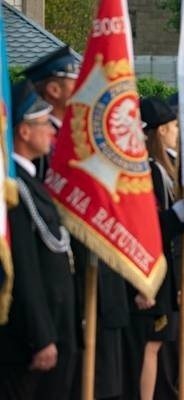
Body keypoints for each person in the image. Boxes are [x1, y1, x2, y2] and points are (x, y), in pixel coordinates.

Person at [0, 80, 77, 399]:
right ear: (24, 132)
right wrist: (41, 336)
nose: (51, 131)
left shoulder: (31, 182)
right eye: (43, 123)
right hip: (31, 337)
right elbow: (26, 272)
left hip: (55, 321)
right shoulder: (13, 192)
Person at [124, 96, 184, 400]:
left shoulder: (163, 168)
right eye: (174, 126)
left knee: (156, 344)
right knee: (147, 345)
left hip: (163, 268)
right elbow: (146, 228)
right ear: (161, 130)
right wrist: (181, 213)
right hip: (148, 270)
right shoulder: (148, 171)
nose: (178, 131)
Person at [22, 46, 80, 181]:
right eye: (75, 83)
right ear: (54, 90)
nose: (82, 89)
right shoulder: (37, 140)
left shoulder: (72, 131)